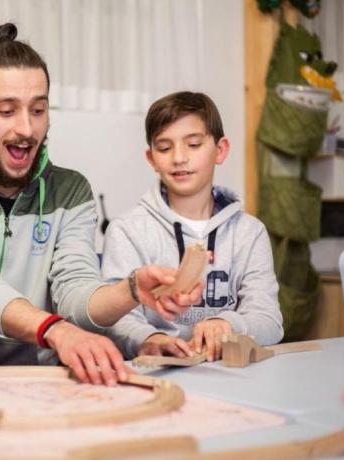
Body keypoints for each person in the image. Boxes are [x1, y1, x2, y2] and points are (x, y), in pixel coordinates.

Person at [0, 24, 200, 386]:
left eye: (38, 110)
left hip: (41, 380)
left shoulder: (70, 191)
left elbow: (75, 291)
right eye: (7, 110)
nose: (26, 128)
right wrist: (54, 330)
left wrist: (131, 291)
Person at [102, 91, 283, 362]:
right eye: (165, 148)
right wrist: (150, 339)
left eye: (194, 144)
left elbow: (269, 320)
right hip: (158, 376)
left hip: (230, 376)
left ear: (220, 150)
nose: (178, 158)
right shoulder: (127, 231)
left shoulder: (250, 232)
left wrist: (228, 324)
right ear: (151, 159)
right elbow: (114, 319)